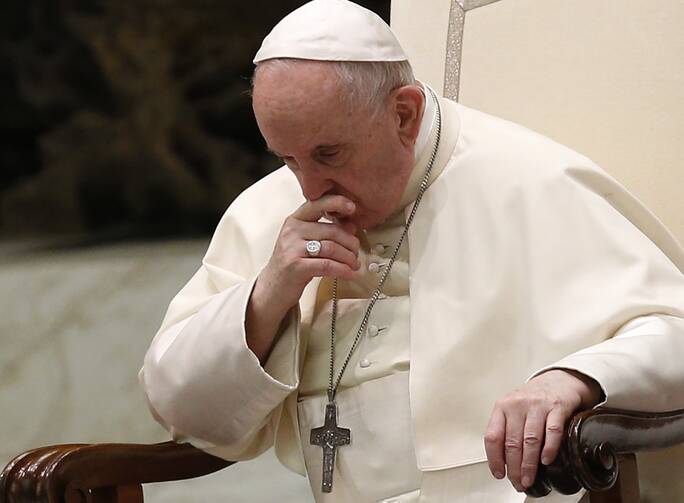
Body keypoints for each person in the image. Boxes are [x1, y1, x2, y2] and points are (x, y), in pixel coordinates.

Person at [139, 0, 684, 501]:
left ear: (404, 114)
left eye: (329, 153)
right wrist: (267, 298)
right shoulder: (274, 211)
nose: (308, 188)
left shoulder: (527, 182)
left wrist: (576, 378)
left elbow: (673, 332)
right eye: (288, 159)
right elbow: (181, 409)